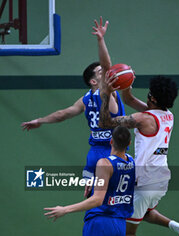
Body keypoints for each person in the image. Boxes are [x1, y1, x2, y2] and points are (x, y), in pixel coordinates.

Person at [79, 17, 179, 236]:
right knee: (143, 213)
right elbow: (133, 100)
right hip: (159, 181)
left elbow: (109, 122)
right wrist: (125, 86)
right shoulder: (165, 115)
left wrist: (107, 91)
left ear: (152, 96)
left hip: (145, 178)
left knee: (125, 232)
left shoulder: (142, 118)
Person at [21, 60, 125, 197]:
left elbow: (62, 114)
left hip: (94, 154)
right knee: (115, 198)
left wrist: (40, 120)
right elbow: (107, 62)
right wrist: (100, 40)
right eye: (101, 72)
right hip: (112, 152)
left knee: (94, 198)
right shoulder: (109, 93)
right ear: (93, 81)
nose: (106, 72)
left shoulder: (85, 99)